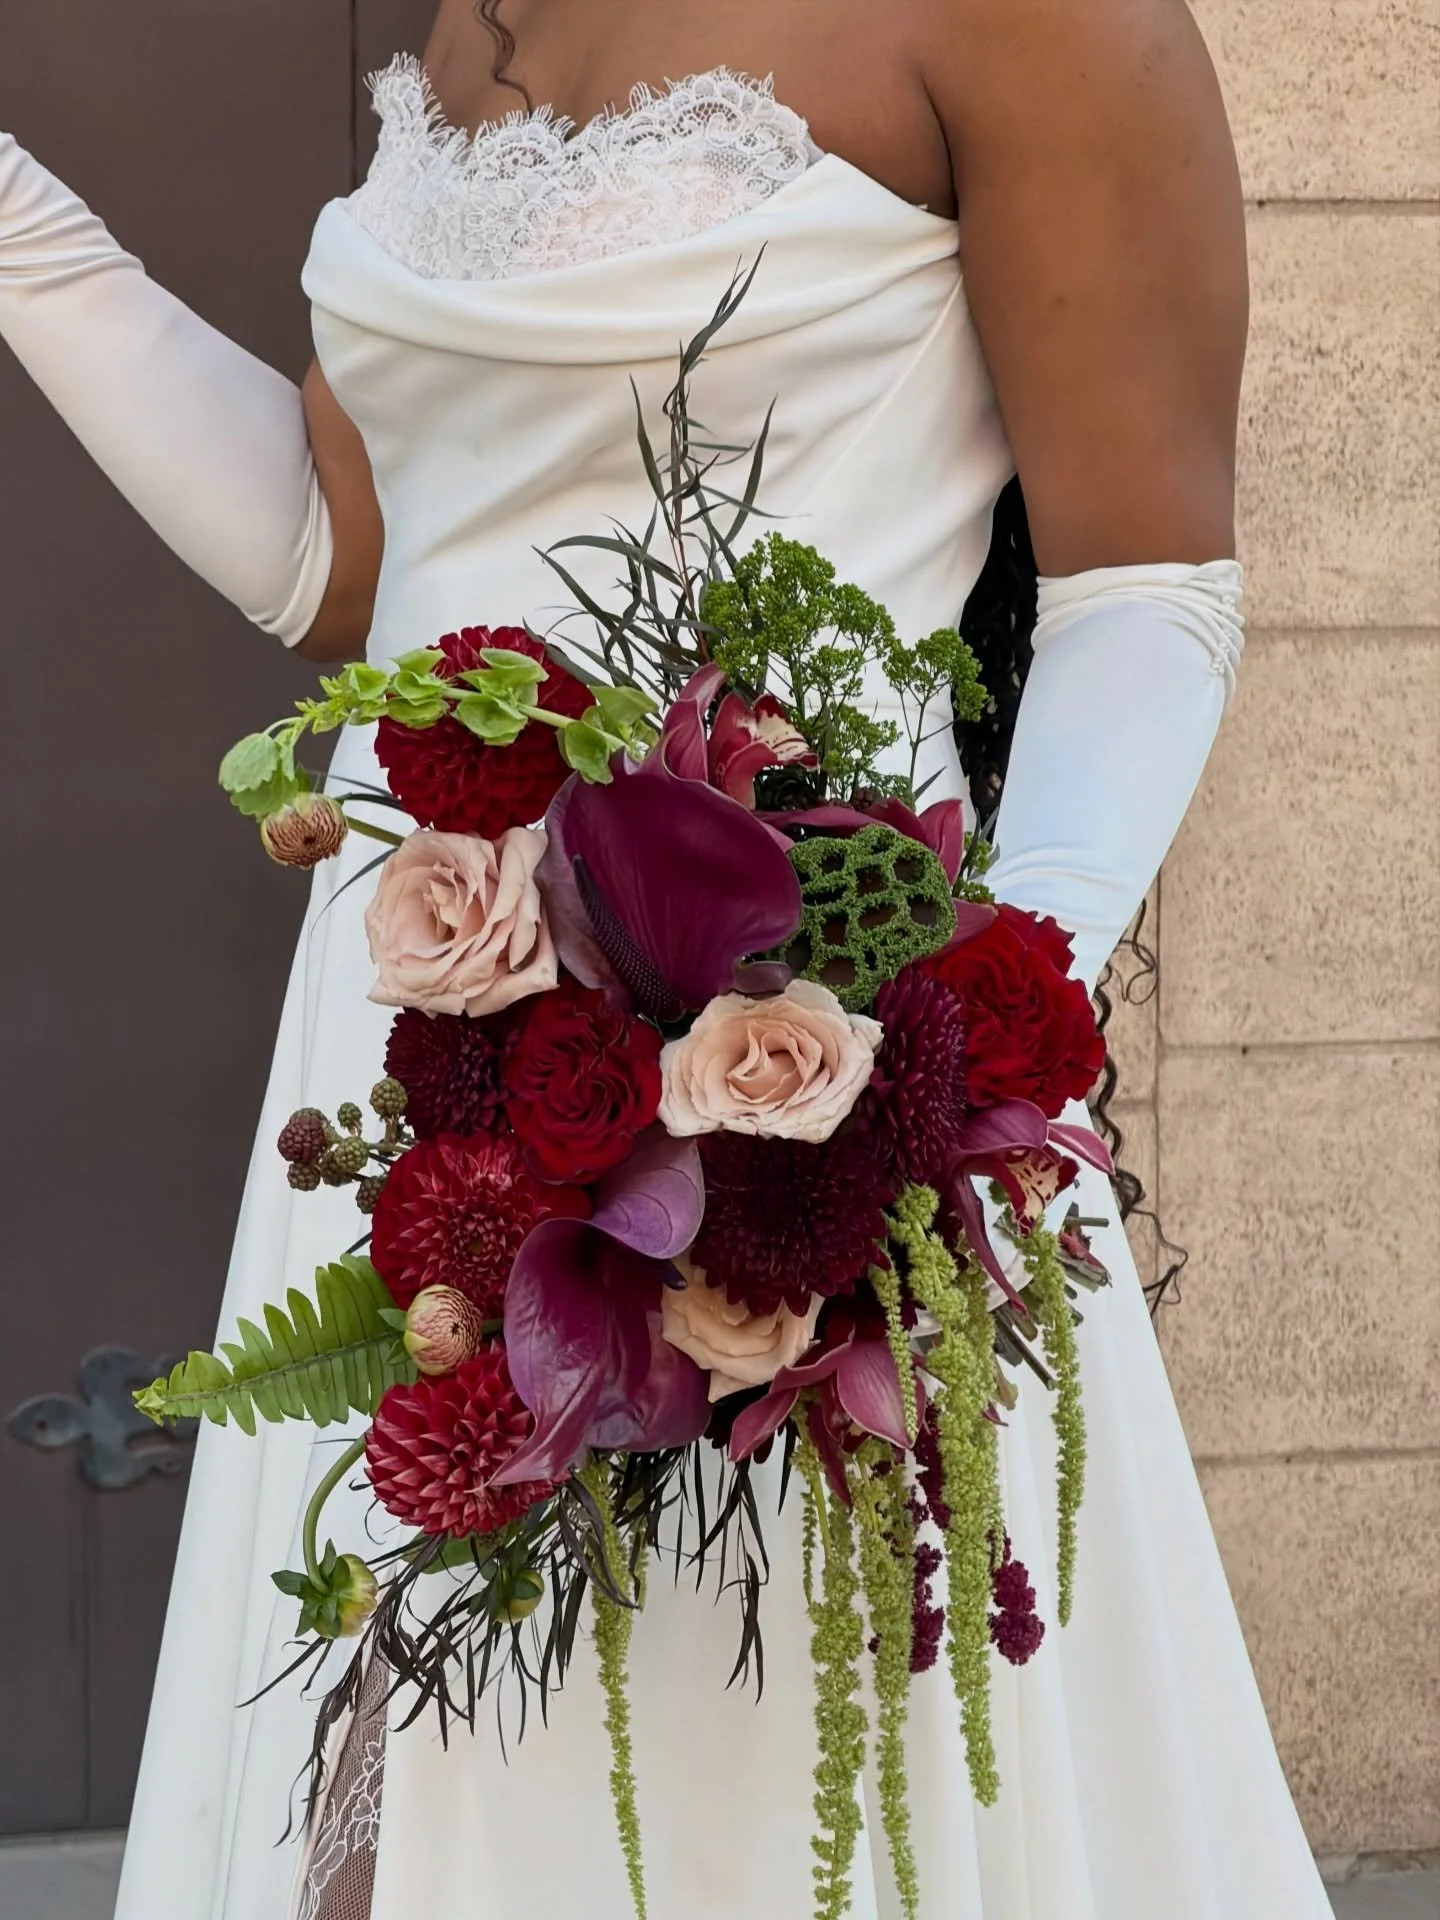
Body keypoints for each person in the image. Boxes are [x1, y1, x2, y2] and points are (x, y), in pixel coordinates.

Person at [0, 2, 1336, 1915]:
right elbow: (340, 549)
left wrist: (944, 1045)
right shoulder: (476, 21)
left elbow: (1149, 590)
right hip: (414, 1065)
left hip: (813, 1058)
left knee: (786, 1732)